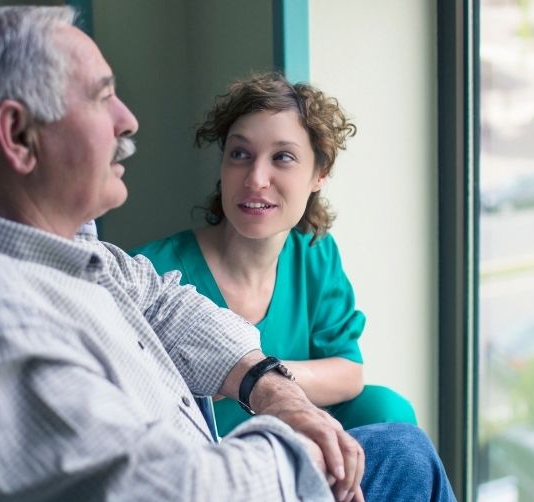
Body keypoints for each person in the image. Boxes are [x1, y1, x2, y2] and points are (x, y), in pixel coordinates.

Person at [0, 6, 534, 502]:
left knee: (408, 459)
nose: (127, 118)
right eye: (101, 97)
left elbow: (163, 303)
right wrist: (300, 446)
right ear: (19, 136)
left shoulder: (39, 253)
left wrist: (272, 388)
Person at [131, 74, 416, 437]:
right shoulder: (149, 273)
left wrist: (251, 375)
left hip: (295, 448)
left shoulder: (314, 253)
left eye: (282, 157)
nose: (255, 178)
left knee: (387, 410)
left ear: (320, 174)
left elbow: (349, 372)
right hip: (199, 466)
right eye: (240, 154)